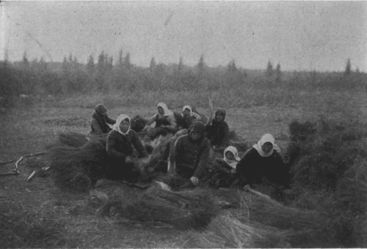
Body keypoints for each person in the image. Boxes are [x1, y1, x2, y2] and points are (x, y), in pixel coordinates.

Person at [166, 121, 210, 189]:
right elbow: (172, 157)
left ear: (202, 134)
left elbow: (203, 161)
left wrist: (196, 175)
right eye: (193, 133)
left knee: (191, 185)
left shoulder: (205, 143)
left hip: (194, 170)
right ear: (190, 131)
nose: (195, 135)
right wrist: (171, 171)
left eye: (198, 133)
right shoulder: (181, 140)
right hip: (180, 169)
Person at [106, 114, 148, 181]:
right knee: (122, 175)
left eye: (127, 123)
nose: (125, 125)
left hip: (129, 156)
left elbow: (139, 147)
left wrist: (146, 157)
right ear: (118, 124)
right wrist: (124, 157)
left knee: (139, 170)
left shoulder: (132, 133)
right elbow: (110, 151)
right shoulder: (112, 134)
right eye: (122, 123)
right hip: (116, 159)